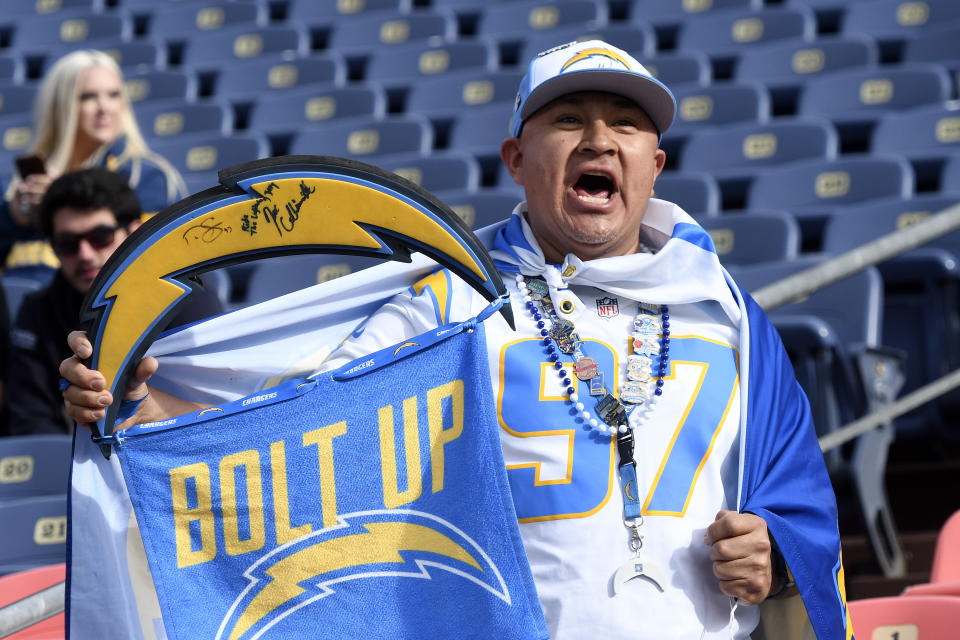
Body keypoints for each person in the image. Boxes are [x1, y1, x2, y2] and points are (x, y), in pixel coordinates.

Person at [60, 41, 848, 638]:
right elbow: (298, 439)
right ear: (515, 158)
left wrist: (776, 558)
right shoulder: (449, 298)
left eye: (628, 125)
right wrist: (134, 398)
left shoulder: (727, 310)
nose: (601, 140)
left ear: (656, 162)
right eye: (569, 119)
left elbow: (796, 498)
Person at [6, 168, 219, 436]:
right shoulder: (37, 310)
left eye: (101, 237)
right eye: (67, 243)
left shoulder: (188, 297)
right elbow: (31, 421)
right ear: (51, 246)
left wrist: (144, 407)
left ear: (133, 231)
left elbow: (223, 411)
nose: (85, 254)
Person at [1, 49, 186, 271]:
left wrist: (67, 203)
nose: (104, 108)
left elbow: (156, 265)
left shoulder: (148, 177)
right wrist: (13, 216)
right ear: (60, 106)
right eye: (88, 97)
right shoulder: (18, 188)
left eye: (113, 95)